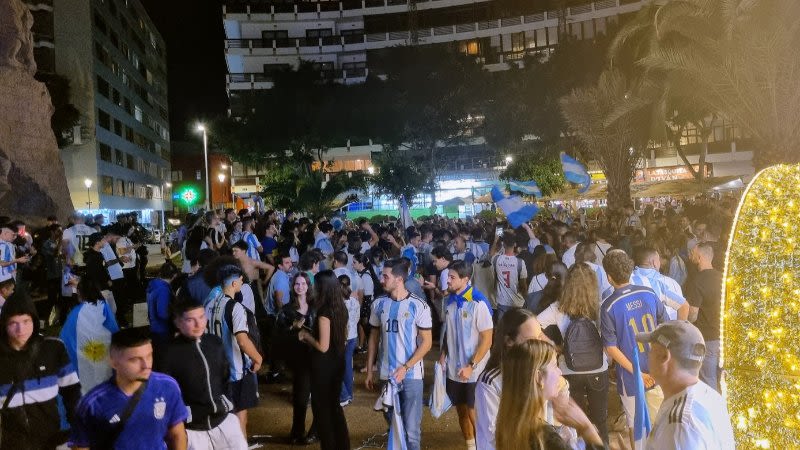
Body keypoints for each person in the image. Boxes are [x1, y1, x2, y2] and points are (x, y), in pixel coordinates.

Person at [71, 328, 188, 449]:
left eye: (149, 356)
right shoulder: (92, 403)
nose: (146, 365)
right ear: (114, 363)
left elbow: (177, 435)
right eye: (135, 360)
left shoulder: (168, 386)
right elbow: (80, 446)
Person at [157, 299, 248, 450]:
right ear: (178, 322)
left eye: (201, 317)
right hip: (192, 430)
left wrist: (226, 402)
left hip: (223, 420)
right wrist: (184, 418)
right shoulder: (167, 353)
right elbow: (166, 394)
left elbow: (225, 377)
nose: (198, 324)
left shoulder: (215, 343)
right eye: (190, 320)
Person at [601, 250, 669, 448]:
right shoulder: (648, 293)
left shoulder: (608, 306)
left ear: (609, 277)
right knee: (659, 422)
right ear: (630, 270)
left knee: (635, 425)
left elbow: (611, 349)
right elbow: (666, 329)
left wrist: (638, 373)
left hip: (630, 376)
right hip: (657, 370)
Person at [536, 263, 609, 445]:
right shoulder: (600, 307)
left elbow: (534, 325)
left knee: (576, 422)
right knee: (599, 419)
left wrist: (555, 346)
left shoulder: (558, 307)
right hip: (598, 367)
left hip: (569, 368)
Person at [366, 258, 433, 450]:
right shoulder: (378, 304)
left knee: (412, 431)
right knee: (392, 424)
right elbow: (373, 337)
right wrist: (370, 370)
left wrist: (405, 367)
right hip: (386, 375)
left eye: (385, 276)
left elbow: (427, 343)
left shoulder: (419, 305)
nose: (381, 279)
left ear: (399, 279)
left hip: (411, 376)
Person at [636, 321, 735, 449]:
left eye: (652, 349)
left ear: (664, 357)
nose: (648, 355)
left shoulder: (681, 426)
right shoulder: (710, 397)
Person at [0, 298, 81, 448]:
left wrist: (79, 428)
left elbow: (72, 392)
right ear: (4, 324)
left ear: (35, 321)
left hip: (49, 439)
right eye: (13, 323)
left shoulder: (53, 348)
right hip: (9, 443)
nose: (20, 329)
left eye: (26, 321)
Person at [203, 262, 263, 438]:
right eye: (241, 280)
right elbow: (242, 341)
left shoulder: (209, 304)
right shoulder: (235, 307)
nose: (242, 281)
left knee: (222, 419)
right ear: (234, 283)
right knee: (239, 419)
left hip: (215, 370)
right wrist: (258, 358)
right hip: (235, 371)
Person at [439, 260, 493, 450]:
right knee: (461, 409)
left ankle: (483, 446)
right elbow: (448, 331)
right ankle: (471, 446)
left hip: (474, 371)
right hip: (454, 369)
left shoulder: (479, 303)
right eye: (448, 277)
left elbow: (487, 339)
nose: (448, 281)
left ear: (465, 279)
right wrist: (443, 353)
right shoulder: (450, 301)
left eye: (452, 277)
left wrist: (472, 365)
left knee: (474, 412)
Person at [298, 271, 350, 450]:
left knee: (322, 411)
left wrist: (306, 335)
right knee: (334, 407)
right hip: (337, 362)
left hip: (324, 366)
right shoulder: (341, 307)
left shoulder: (323, 312)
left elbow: (322, 346)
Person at [495, 340, 569, 450]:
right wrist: (588, 431)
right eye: (555, 365)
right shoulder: (547, 439)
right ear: (539, 377)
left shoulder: (508, 422)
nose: (560, 372)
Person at [275, 272, 318, 445]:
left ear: (309, 285)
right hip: (299, 360)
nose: (300, 287)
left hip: (317, 357)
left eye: (303, 283)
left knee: (318, 398)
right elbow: (279, 337)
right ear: (293, 287)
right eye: (297, 284)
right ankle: (297, 431)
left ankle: (316, 431)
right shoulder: (286, 310)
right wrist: (293, 328)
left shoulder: (316, 307)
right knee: (300, 399)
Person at [60, 278, 119, 395]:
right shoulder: (104, 306)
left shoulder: (76, 313)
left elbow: (65, 338)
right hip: (104, 356)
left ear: (80, 294)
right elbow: (114, 330)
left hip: (84, 361)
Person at [684, 242, 723, 391]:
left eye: (692, 253)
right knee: (721, 376)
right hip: (723, 335)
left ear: (699, 257)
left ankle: (711, 411)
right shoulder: (721, 276)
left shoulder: (697, 280)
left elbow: (693, 313)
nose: (690, 255)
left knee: (708, 378)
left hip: (706, 337)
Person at [630, 247, 689, 320]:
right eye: (658, 260)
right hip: (664, 329)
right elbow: (683, 306)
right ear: (654, 263)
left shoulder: (627, 280)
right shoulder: (667, 282)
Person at [492, 231, 528, 322]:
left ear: (503, 244)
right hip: (517, 302)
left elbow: (491, 254)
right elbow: (523, 285)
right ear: (515, 244)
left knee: (502, 330)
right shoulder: (520, 262)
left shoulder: (496, 259)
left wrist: (496, 239)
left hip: (502, 301)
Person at [147, 262, 179, 351]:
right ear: (175, 275)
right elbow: (163, 313)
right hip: (162, 330)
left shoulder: (154, 284)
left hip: (154, 327)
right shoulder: (163, 290)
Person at [338, 274, 360, 407]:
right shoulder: (355, 301)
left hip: (342, 338)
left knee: (339, 365)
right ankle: (349, 394)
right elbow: (356, 319)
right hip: (353, 336)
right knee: (347, 365)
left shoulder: (339, 304)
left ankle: (344, 395)